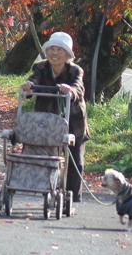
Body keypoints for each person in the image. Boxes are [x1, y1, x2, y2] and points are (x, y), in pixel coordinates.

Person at [20, 31, 89, 203]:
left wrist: (70, 90)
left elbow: (78, 89)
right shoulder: (40, 67)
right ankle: (44, 187)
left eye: (59, 49)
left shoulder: (75, 70)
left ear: (67, 54)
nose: (55, 53)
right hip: (47, 119)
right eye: (52, 49)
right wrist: (28, 87)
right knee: (44, 153)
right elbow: (33, 81)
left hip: (73, 119)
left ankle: (72, 198)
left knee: (76, 160)